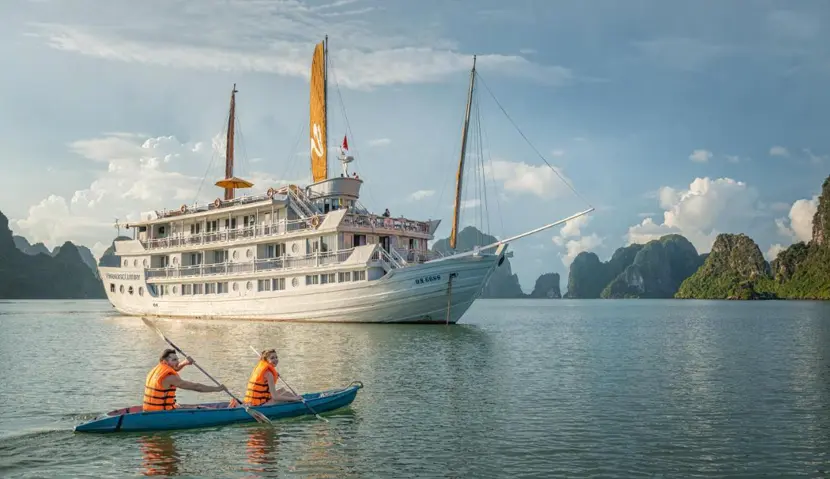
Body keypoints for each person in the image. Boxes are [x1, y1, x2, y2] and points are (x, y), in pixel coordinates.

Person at [143, 348, 228, 411]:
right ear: (165, 362)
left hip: (148, 409)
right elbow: (197, 387)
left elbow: (175, 368)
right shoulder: (170, 377)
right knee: (201, 408)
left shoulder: (158, 369)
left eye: (177, 359)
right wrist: (217, 389)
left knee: (189, 406)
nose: (177, 362)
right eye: (174, 360)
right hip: (162, 412)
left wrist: (185, 362)